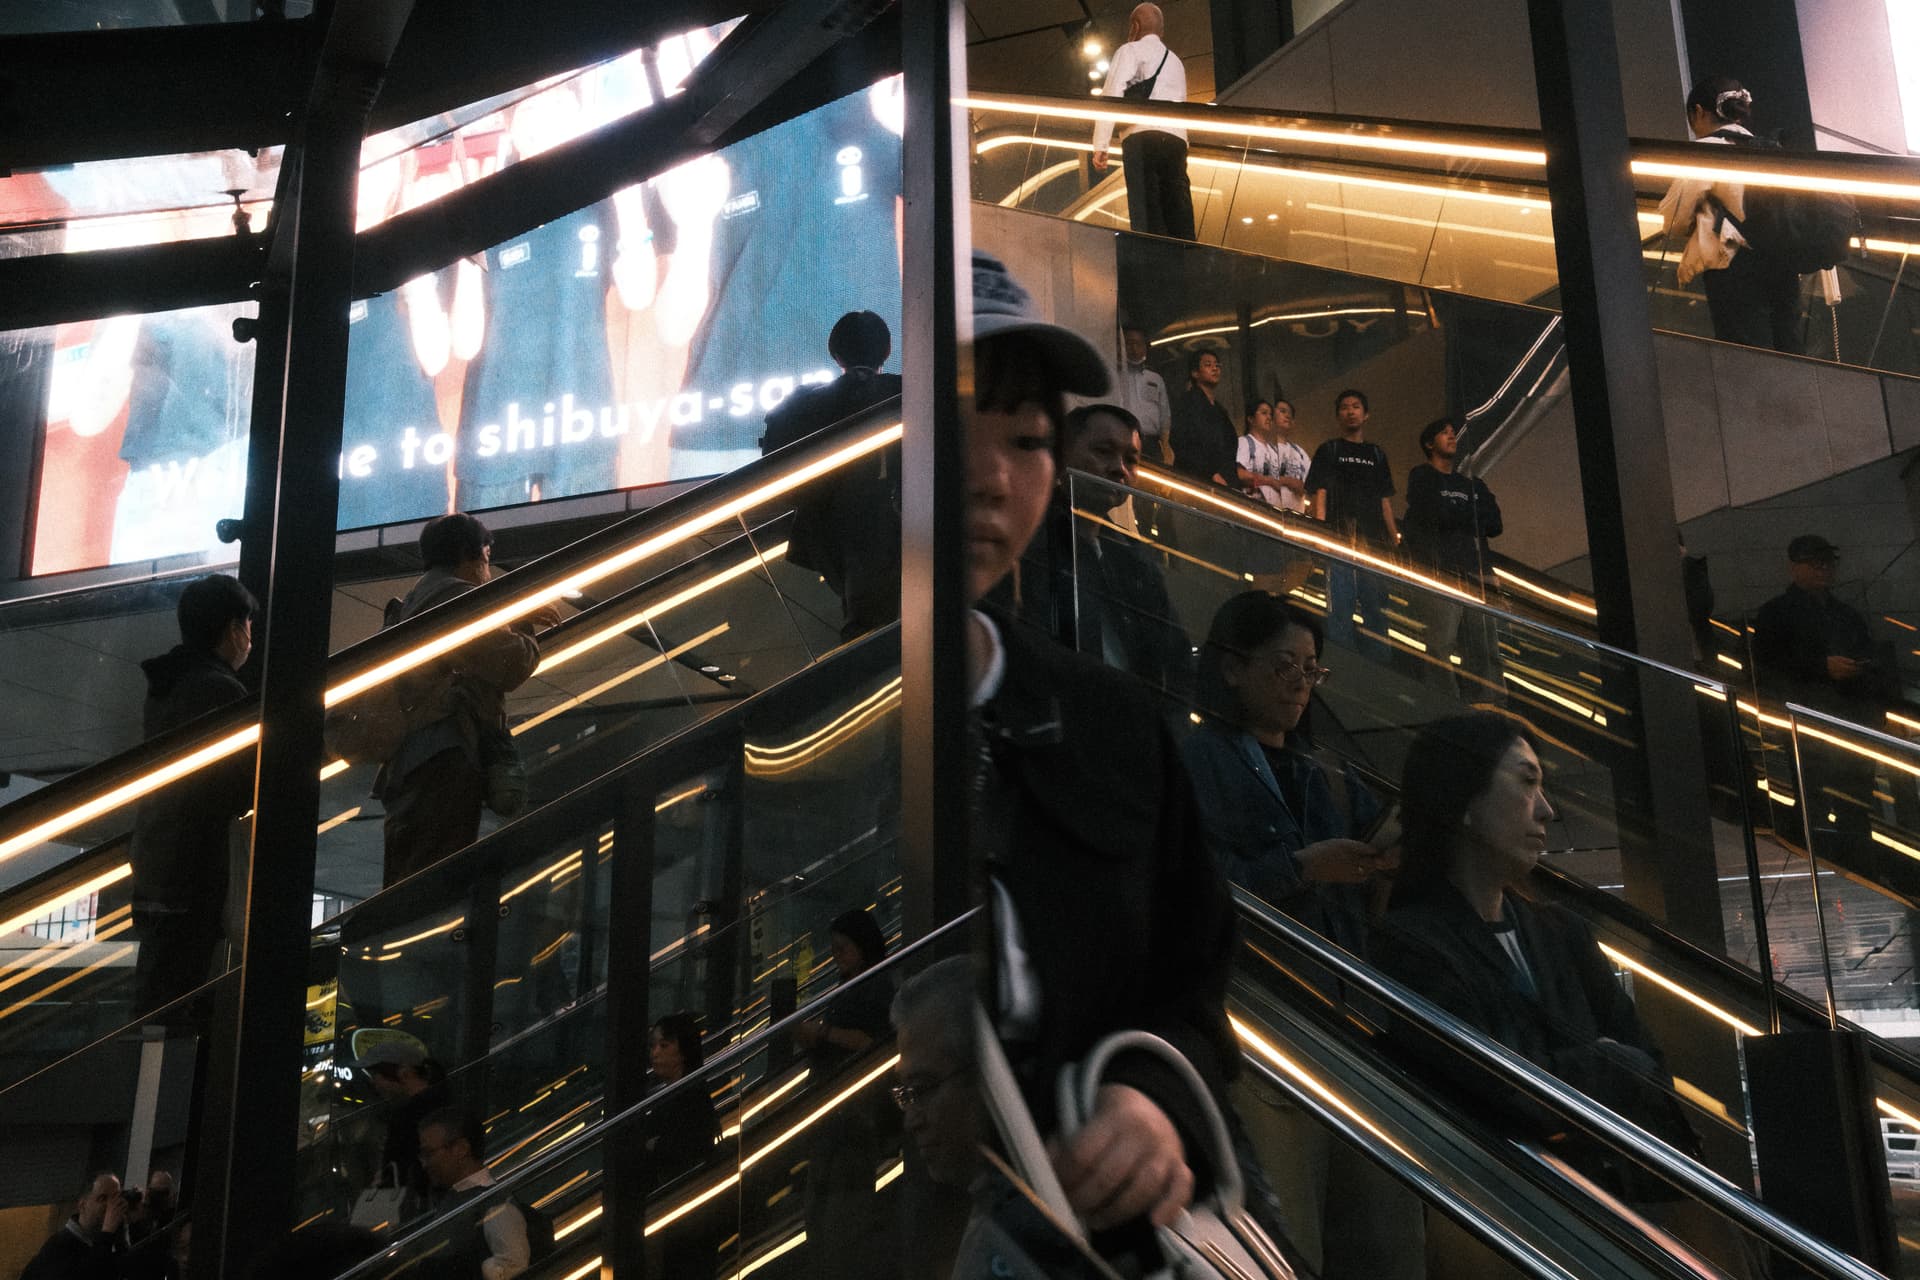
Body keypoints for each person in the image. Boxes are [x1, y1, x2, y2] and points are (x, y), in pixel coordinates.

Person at [964, 251, 1239, 1247]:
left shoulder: (1108, 719)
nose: (994, 477)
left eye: (1030, 439)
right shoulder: (791, 743)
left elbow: (1193, 982)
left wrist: (1152, 1099)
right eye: (949, 427)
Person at [1370, 713, 1700, 1200]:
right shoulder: (1411, 943)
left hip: (1611, 1201)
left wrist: (1571, 1070)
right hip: (1507, 1209)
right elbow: (1494, 1091)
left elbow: (1650, 1067)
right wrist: (1603, 1060)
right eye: (1527, 783)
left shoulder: (1561, 932)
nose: (1546, 810)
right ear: (1462, 798)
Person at [376, 513, 557, 887]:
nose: (487, 573)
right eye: (487, 560)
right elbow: (510, 663)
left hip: (406, 763)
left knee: (405, 876)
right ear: (468, 555)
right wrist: (520, 622)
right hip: (443, 757)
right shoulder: (454, 600)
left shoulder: (412, 602)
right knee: (436, 879)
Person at [128, 574, 257, 1015]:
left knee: (157, 1000)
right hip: (195, 872)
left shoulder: (169, 686)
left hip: (158, 863)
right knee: (183, 1007)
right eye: (248, 626)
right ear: (232, 629)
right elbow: (237, 782)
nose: (250, 638)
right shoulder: (218, 689)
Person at [759, 310, 904, 641]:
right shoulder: (913, 393)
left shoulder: (803, 402)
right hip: (896, 523)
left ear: (835, 353)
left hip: (828, 527)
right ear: (887, 350)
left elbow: (774, 455)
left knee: (863, 613)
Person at [1041, 403, 1192, 694]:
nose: (1119, 469)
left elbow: (1176, 659)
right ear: (1062, 456)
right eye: (1103, 452)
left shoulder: (1134, 557)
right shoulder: (1033, 542)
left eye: (1130, 459)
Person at [1658, 76, 1803, 353]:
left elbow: (1674, 219)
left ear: (1698, 112)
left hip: (1737, 268)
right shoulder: (1772, 150)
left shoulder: (1710, 150)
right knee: (1791, 354)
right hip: (1784, 266)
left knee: (1747, 354)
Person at [795, 908, 894, 1280]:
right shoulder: (847, 986)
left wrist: (822, 1034)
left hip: (853, 1118)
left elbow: (877, 1042)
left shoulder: (875, 987)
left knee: (840, 1224)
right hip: (834, 1117)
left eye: (842, 948)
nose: (836, 956)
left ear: (862, 946)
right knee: (821, 1218)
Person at [1401, 416, 1502, 685]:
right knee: (1441, 643)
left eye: (1453, 432)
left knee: (1486, 648)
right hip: (1441, 571)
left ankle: (1490, 703)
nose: (1451, 436)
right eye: (1443, 432)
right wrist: (1470, 516)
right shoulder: (1422, 476)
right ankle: (1443, 702)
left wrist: (1457, 514)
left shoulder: (1472, 484)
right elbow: (1432, 514)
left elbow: (1494, 524)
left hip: (1478, 572)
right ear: (1428, 443)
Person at [1306, 388, 1397, 662]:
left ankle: (1380, 664)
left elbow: (1384, 499)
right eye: (1344, 407)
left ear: (1365, 414)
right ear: (1338, 416)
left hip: (1373, 540)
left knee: (1376, 605)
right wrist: (1321, 531)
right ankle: (1343, 661)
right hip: (1338, 534)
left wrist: (1394, 537)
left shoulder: (1376, 453)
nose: (1350, 411)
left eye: (1356, 406)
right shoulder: (1329, 449)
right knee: (1340, 603)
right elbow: (1319, 490)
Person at [1091, 4, 1193, 240]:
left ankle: (1152, 268)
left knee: (1147, 215)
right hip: (1176, 142)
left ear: (1135, 26)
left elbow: (1112, 94)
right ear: (1161, 31)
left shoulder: (1130, 51)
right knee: (1177, 213)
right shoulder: (1176, 61)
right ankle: (1183, 266)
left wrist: (1101, 145)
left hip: (1142, 138)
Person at [1752, 534, 1887, 713]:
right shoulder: (1775, 613)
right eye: (1815, 563)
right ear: (1793, 568)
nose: (1823, 569)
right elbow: (1767, 664)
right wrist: (1822, 667)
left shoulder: (1846, 613)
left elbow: (1869, 653)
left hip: (1853, 709)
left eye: (1829, 563)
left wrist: (1861, 665)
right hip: (1804, 713)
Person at [417, 1107, 530, 1280]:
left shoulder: (496, 1207)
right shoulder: (459, 1198)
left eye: (429, 1153)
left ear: (461, 1148)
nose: (425, 1163)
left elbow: (513, 1267)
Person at [360, 1038, 452, 1216]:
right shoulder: (445, 1100)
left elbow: (398, 1169)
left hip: (416, 1205)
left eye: (376, 1076)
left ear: (404, 1073)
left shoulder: (408, 1117)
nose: (375, 1084)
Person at [21, 1171, 129, 1280]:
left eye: (115, 1198)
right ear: (82, 1205)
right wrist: (107, 1233)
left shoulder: (101, 1243)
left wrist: (127, 1226)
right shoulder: (59, 1246)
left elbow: (124, 1271)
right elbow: (92, 1274)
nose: (111, 1206)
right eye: (103, 1198)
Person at [1167, 349, 1237, 489]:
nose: (1215, 368)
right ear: (1195, 373)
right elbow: (1181, 442)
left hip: (1223, 481)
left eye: (1217, 365)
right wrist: (1209, 473)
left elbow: (1229, 447)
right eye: (1208, 364)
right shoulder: (1187, 403)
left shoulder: (1220, 410)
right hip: (1197, 480)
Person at [1235, 399, 1308, 514]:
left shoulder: (1273, 451)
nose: (1269, 418)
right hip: (1254, 511)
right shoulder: (1245, 442)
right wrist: (1270, 481)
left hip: (1278, 514)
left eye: (1270, 414)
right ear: (1251, 419)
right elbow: (1240, 475)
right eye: (1264, 413)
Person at [1114, 324, 1172, 459]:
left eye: (1138, 344)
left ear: (1145, 348)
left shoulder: (1156, 379)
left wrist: (1166, 446)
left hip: (1152, 444)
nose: (1134, 348)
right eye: (1129, 343)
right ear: (1121, 346)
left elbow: (1165, 416)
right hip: (1123, 439)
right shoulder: (1115, 377)